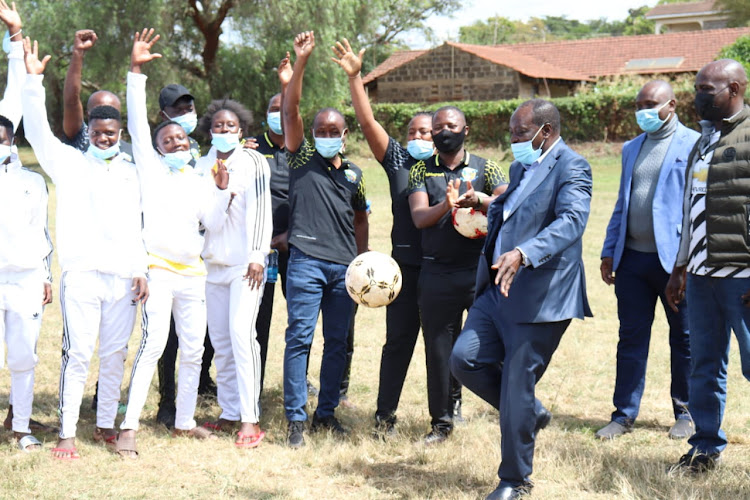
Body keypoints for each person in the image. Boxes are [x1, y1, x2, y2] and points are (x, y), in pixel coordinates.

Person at [450, 99, 592, 499]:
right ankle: (529, 411)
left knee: (515, 385)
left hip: (538, 297)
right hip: (496, 290)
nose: (513, 140)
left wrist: (525, 253)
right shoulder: (519, 167)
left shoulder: (574, 167)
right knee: (464, 359)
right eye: (511, 133)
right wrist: (483, 202)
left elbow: (571, 221)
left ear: (545, 131)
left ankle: (515, 479)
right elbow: (516, 205)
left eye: (520, 133)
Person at [22, 37, 149, 460]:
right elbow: (38, 132)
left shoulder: (134, 170)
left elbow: (140, 226)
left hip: (123, 277)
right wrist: (33, 84)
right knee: (77, 353)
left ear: (120, 134)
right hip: (80, 275)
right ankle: (67, 434)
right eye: (97, 133)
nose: (104, 138)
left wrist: (141, 269)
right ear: (88, 133)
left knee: (114, 355)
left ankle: (104, 426)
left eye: (111, 133)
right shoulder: (70, 163)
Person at [118, 28, 230, 458]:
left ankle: (184, 421)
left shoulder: (199, 174)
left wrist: (221, 190)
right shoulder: (149, 165)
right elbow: (134, 120)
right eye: (168, 140)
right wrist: (135, 71)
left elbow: (213, 222)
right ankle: (129, 427)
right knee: (152, 347)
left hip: (193, 273)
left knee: (193, 350)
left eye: (181, 139)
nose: (176, 142)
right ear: (158, 146)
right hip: (160, 270)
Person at [332, 38, 429, 435]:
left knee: (447, 346)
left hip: (448, 270)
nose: (421, 136)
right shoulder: (400, 162)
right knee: (397, 344)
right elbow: (369, 122)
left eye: (429, 131)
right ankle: (383, 415)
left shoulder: (459, 166)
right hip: (404, 269)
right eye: (414, 130)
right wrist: (356, 78)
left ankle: (450, 410)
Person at [597, 80, 698, 440]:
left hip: (675, 263)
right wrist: (610, 249)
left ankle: (687, 412)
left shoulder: (694, 145)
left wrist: (687, 262)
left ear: (671, 104)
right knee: (631, 338)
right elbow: (622, 204)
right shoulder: (631, 148)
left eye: (651, 103)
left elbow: (695, 206)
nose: (643, 110)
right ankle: (623, 415)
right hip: (633, 262)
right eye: (639, 103)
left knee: (684, 339)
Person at [282, 31, 368, 448]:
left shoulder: (355, 174)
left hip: (344, 269)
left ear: (345, 132)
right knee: (299, 338)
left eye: (334, 129)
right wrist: (302, 62)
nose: (327, 133)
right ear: (312, 132)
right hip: (305, 262)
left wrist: (363, 260)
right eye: (321, 128)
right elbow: (291, 108)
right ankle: (296, 420)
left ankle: (326, 414)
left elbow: (361, 217)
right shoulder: (301, 156)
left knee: (338, 343)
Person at [666, 59, 750, 474]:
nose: (696, 97)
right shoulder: (703, 140)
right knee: (704, 365)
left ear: (734, 89)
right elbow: (689, 208)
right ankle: (705, 448)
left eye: (706, 89)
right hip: (701, 278)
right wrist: (680, 267)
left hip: (743, 278)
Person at [407, 105, 506, 444]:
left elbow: (508, 207)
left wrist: (479, 199)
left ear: (466, 130)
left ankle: (511, 409)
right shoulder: (421, 171)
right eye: (438, 126)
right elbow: (420, 218)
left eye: (451, 125)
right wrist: (446, 207)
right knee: (437, 350)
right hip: (437, 272)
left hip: (480, 270)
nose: (443, 130)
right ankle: (441, 423)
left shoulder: (487, 167)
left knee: (491, 347)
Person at [195, 98, 271, 448]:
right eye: (218, 126)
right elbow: (202, 216)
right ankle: (228, 411)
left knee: (242, 335)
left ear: (242, 130)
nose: (224, 131)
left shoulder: (252, 160)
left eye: (231, 126)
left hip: (246, 265)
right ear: (210, 129)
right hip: (213, 265)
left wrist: (258, 254)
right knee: (221, 341)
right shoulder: (202, 163)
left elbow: (260, 209)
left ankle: (250, 420)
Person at [0, 0, 54, 437]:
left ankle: (19, 427)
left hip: (24, 277)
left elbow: (16, 92)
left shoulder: (31, 182)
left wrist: (16, 37)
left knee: (23, 355)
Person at [154, 80, 218, 430]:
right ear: (163, 115)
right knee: (166, 336)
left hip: (198, 252)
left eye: (189, 108)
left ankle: (194, 394)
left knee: (195, 332)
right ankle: (166, 400)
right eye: (178, 110)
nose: (185, 115)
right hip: (164, 256)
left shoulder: (198, 149)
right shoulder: (158, 151)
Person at [61, 29, 130, 154]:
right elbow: (71, 101)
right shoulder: (80, 137)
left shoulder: (131, 152)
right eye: (98, 111)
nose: (105, 115)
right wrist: (78, 53)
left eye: (112, 112)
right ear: (88, 115)